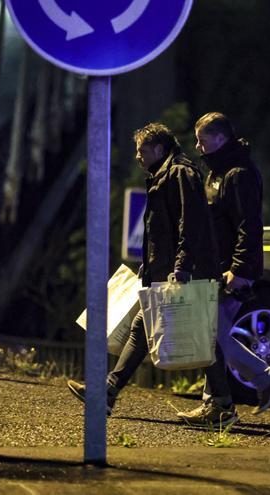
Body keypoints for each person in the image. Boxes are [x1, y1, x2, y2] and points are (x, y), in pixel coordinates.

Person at [67, 123, 218, 414]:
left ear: (159, 149)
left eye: (142, 151)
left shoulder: (180, 173)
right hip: (168, 270)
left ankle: (222, 403)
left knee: (203, 339)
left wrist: (182, 266)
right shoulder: (167, 174)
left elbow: (191, 223)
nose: (138, 157)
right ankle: (106, 392)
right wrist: (148, 267)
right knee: (147, 328)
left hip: (182, 272)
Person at [176, 112, 270, 427]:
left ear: (220, 138)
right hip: (216, 266)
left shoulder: (238, 174)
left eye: (203, 140)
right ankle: (219, 402)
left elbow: (249, 225)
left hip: (231, 270)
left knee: (209, 334)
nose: (197, 146)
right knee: (212, 334)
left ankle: (259, 381)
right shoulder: (219, 172)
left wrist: (240, 269)